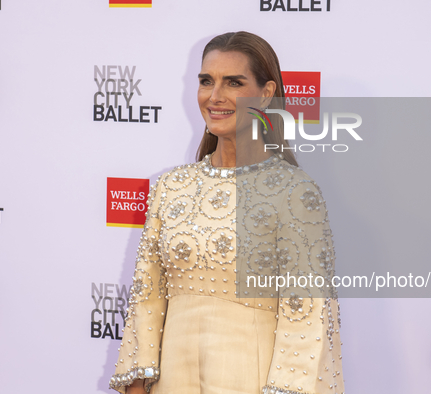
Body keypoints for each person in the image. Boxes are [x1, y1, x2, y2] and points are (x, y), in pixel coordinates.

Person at [110, 31, 345, 394]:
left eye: (233, 82)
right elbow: (146, 295)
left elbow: (308, 318)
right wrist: (137, 382)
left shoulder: (294, 192)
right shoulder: (171, 186)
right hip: (172, 380)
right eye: (207, 81)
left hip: (250, 378)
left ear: (266, 94)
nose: (214, 96)